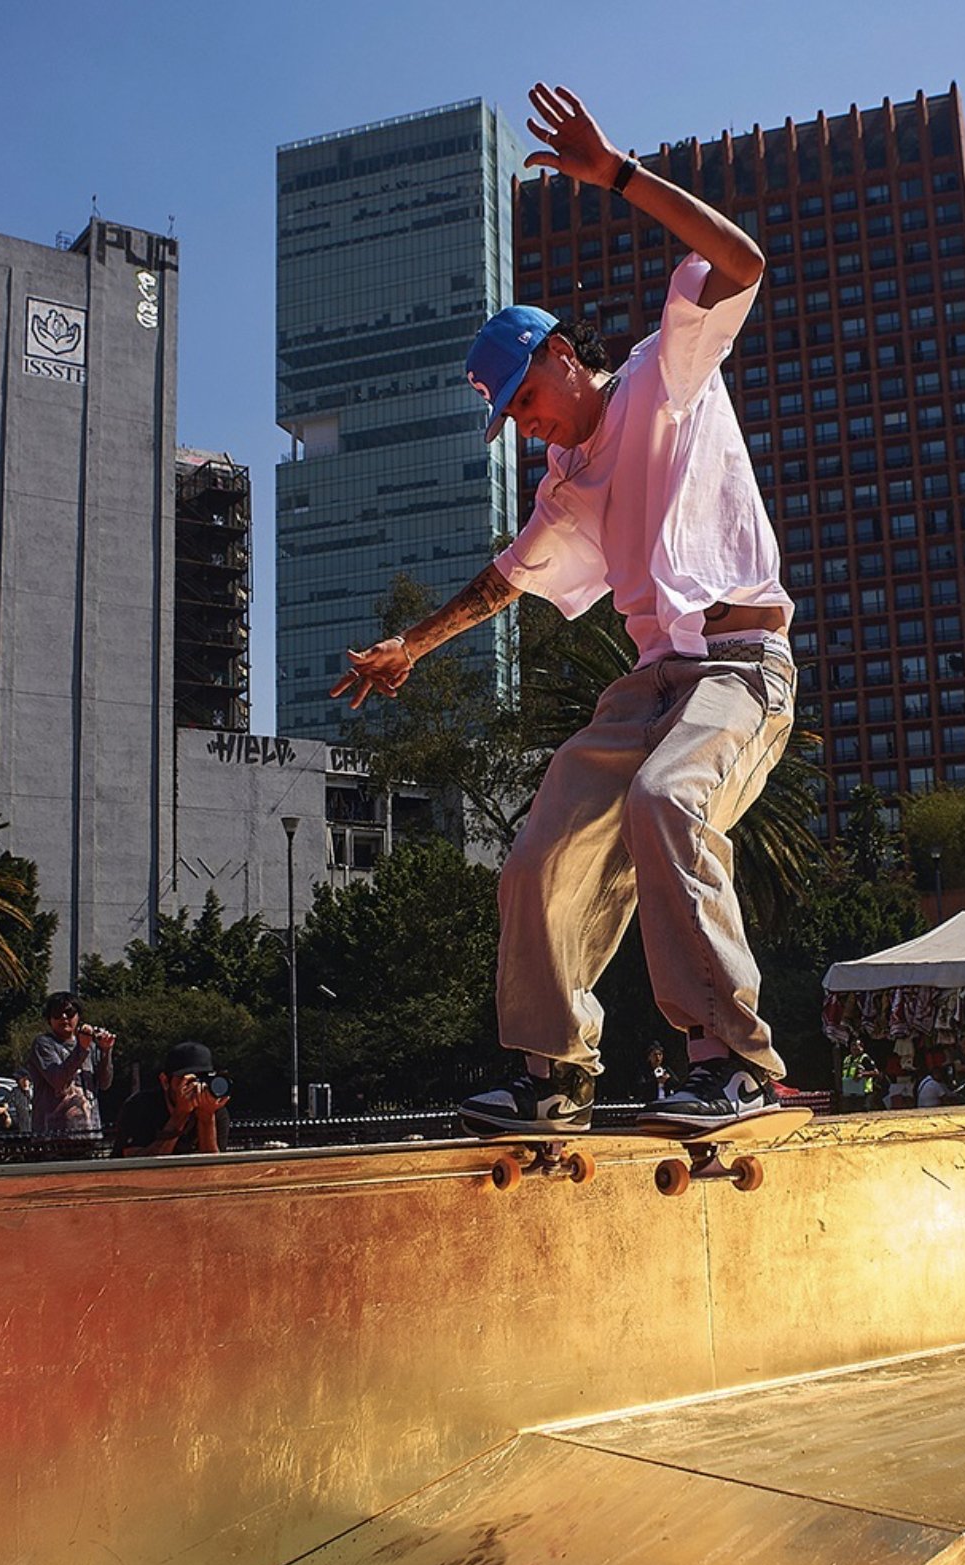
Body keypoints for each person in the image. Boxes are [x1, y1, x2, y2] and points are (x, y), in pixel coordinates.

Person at [334, 83, 794, 1138]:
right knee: (540, 852)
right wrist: (410, 645)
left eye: (526, 401)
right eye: (512, 421)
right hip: (648, 683)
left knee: (666, 803)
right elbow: (503, 580)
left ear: (556, 355)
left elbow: (741, 264)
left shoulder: (660, 375)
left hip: (737, 668)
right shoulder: (561, 489)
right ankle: (553, 1071)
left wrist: (618, 175)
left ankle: (730, 1061)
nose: (528, 426)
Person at [112, 1041, 230, 1157]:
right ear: (165, 1081)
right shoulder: (139, 1107)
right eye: (186, 1081)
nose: (195, 1086)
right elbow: (139, 1166)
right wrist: (180, 1115)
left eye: (202, 1079)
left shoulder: (215, 1110)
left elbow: (213, 1168)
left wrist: (207, 1118)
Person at [24, 993, 114, 1139]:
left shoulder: (90, 1046)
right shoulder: (43, 1044)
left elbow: (105, 1083)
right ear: (49, 1019)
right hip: (53, 1137)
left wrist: (106, 1051)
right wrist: (82, 1050)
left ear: (78, 1016)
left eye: (70, 1012)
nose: (64, 1017)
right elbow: (58, 1080)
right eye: (57, 1014)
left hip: (89, 1133)